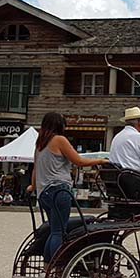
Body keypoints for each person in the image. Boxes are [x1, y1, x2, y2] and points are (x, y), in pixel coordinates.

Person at [28, 112, 108, 264]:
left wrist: (33, 186)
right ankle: (56, 267)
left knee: (53, 230)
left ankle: (47, 266)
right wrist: (101, 160)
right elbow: (78, 161)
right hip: (59, 191)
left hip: (44, 193)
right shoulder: (59, 140)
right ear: (59, 125)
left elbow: (35, 169)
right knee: (59, 232)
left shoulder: (40, 144)